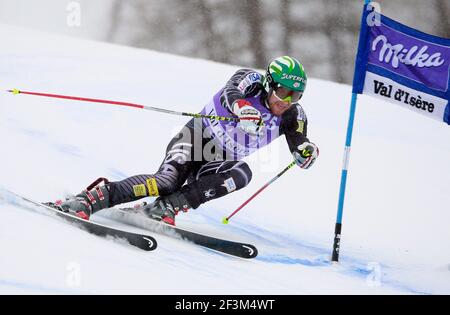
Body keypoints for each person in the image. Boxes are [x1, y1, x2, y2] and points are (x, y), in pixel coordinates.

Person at [51, 56, 319, 226]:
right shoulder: (250, 81)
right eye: (283, 92)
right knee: (166, 182)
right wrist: (239, 108)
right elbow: (230, 90)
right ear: (270, 83)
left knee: (242, 173)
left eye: (295, 95)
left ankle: (167, 207)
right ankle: (90, 199)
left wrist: (306, 152)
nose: (286, 101)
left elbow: (299, 141)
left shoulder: (293, 114)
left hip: (219, 161)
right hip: (195, 139)